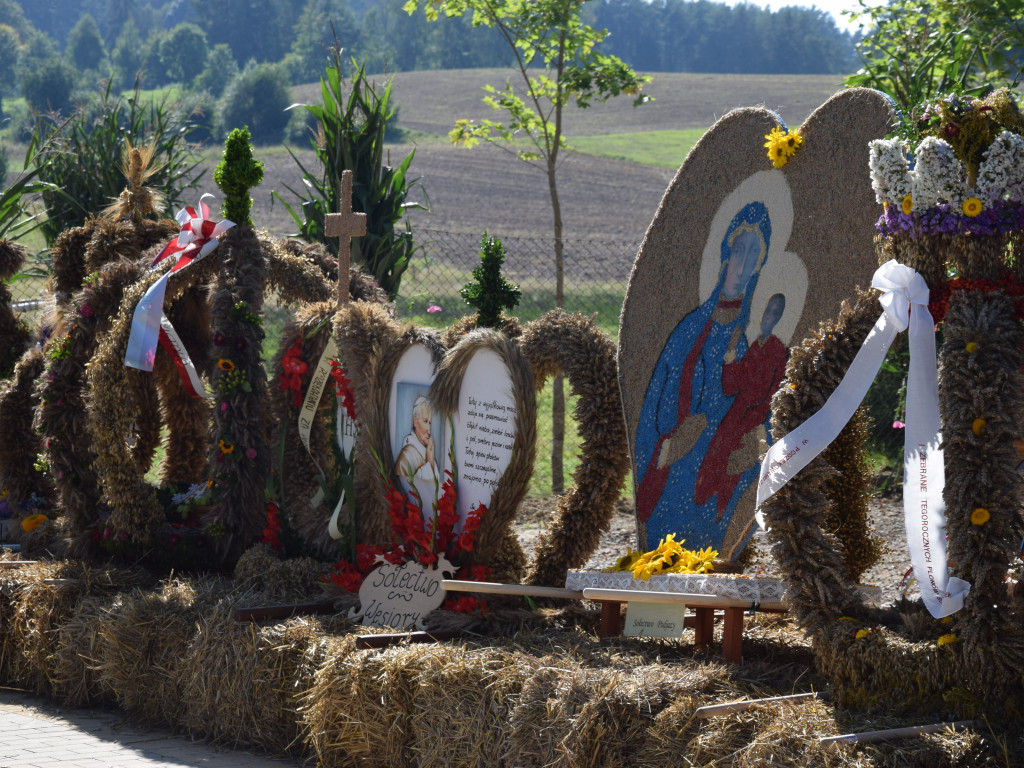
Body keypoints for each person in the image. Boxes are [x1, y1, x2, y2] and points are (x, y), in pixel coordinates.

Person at [634, 201, 771, 551]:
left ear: (761, 264)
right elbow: (652, 406)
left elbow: (764, 409)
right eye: (739, 249)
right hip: (676, 466)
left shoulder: (756, 341)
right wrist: (670, 446)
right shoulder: (689, 331)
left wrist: (756, 445)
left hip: (726, 471)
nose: (742, 264)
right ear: (726, 252)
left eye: (753, 253)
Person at [695, 293, 788, 523]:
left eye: (775, 313)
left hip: (749, 421)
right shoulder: (756, 345)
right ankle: (702, 512)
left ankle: (720, 518)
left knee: (732, 470)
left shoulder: (778, 352)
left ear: (779, 318)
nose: (769, 317)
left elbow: (771, 395)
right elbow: (731, 386)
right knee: (712, 463)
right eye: (768, 311)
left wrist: (751, 425)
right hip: (735, 416)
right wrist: (731, 357)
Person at [395, 396, 437, 483]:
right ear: (415, 420)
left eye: (430, 423)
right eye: (425, 421)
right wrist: (430, 464)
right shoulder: (407, 455)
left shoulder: (426, 451)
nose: (428, 429)